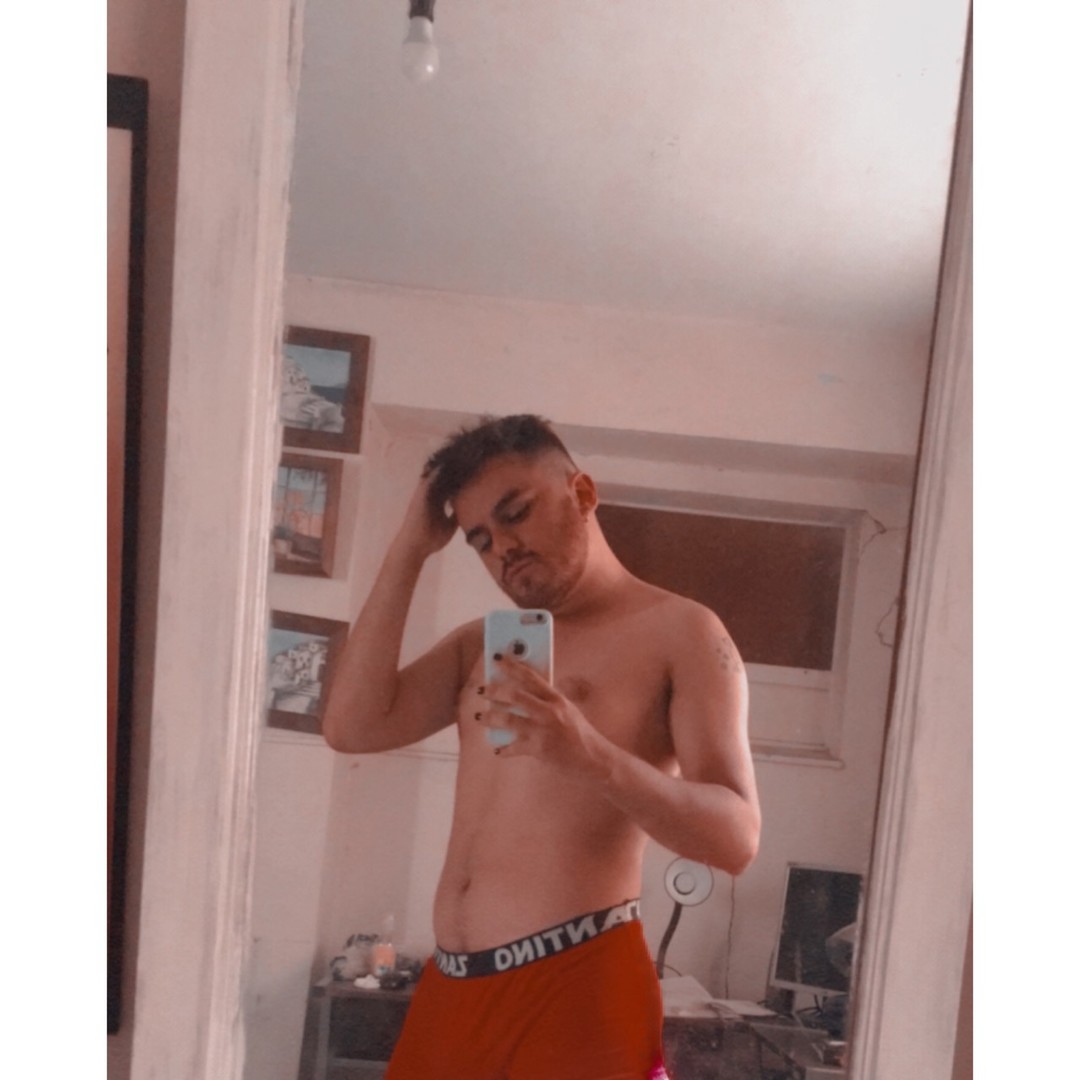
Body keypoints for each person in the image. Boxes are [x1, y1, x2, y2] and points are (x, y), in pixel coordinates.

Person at [322, 414, 761, 1080]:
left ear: (582, 493)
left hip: (578, 982)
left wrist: (591, 756)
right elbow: (352, 727)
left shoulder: (683, 632)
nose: (502, 547)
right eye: (480, 539)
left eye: (516, 513)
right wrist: (411, 547)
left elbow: (736, 840)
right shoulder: (482, 644)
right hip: (450, 989)